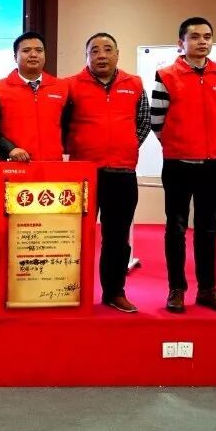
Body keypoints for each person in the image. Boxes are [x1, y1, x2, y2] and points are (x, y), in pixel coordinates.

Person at [151, 16, 216, 315]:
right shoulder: (166, 75)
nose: (202, 42)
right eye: (195, 37)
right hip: (178, 163)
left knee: (208, 227)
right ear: (181, 43)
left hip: (214, 162)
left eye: (207, 36)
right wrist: (179, 143)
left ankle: (207, 289)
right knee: (176, 227)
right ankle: (176, 289)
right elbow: (157, 120)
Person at [64, 32, 150, 313]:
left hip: (122, 172)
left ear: (117, 54)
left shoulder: (134, 84)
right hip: (83, 172)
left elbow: (144, 121)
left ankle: (114, 292)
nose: (101, 55)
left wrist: (126, 144)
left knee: (117, 237)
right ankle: (68, 291)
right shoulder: (71, 86)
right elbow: (61, 126)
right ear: (86, 56)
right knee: (75, 236)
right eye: (94, 51)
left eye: (107, 49)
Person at [0, 31, 69, 163]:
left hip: (53, 165)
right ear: (15, 57)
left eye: (39, 50)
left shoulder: (62, 87)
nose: (33, 55)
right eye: (26, 50)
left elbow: (68, 127)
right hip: (14, 165)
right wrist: (9, 149)